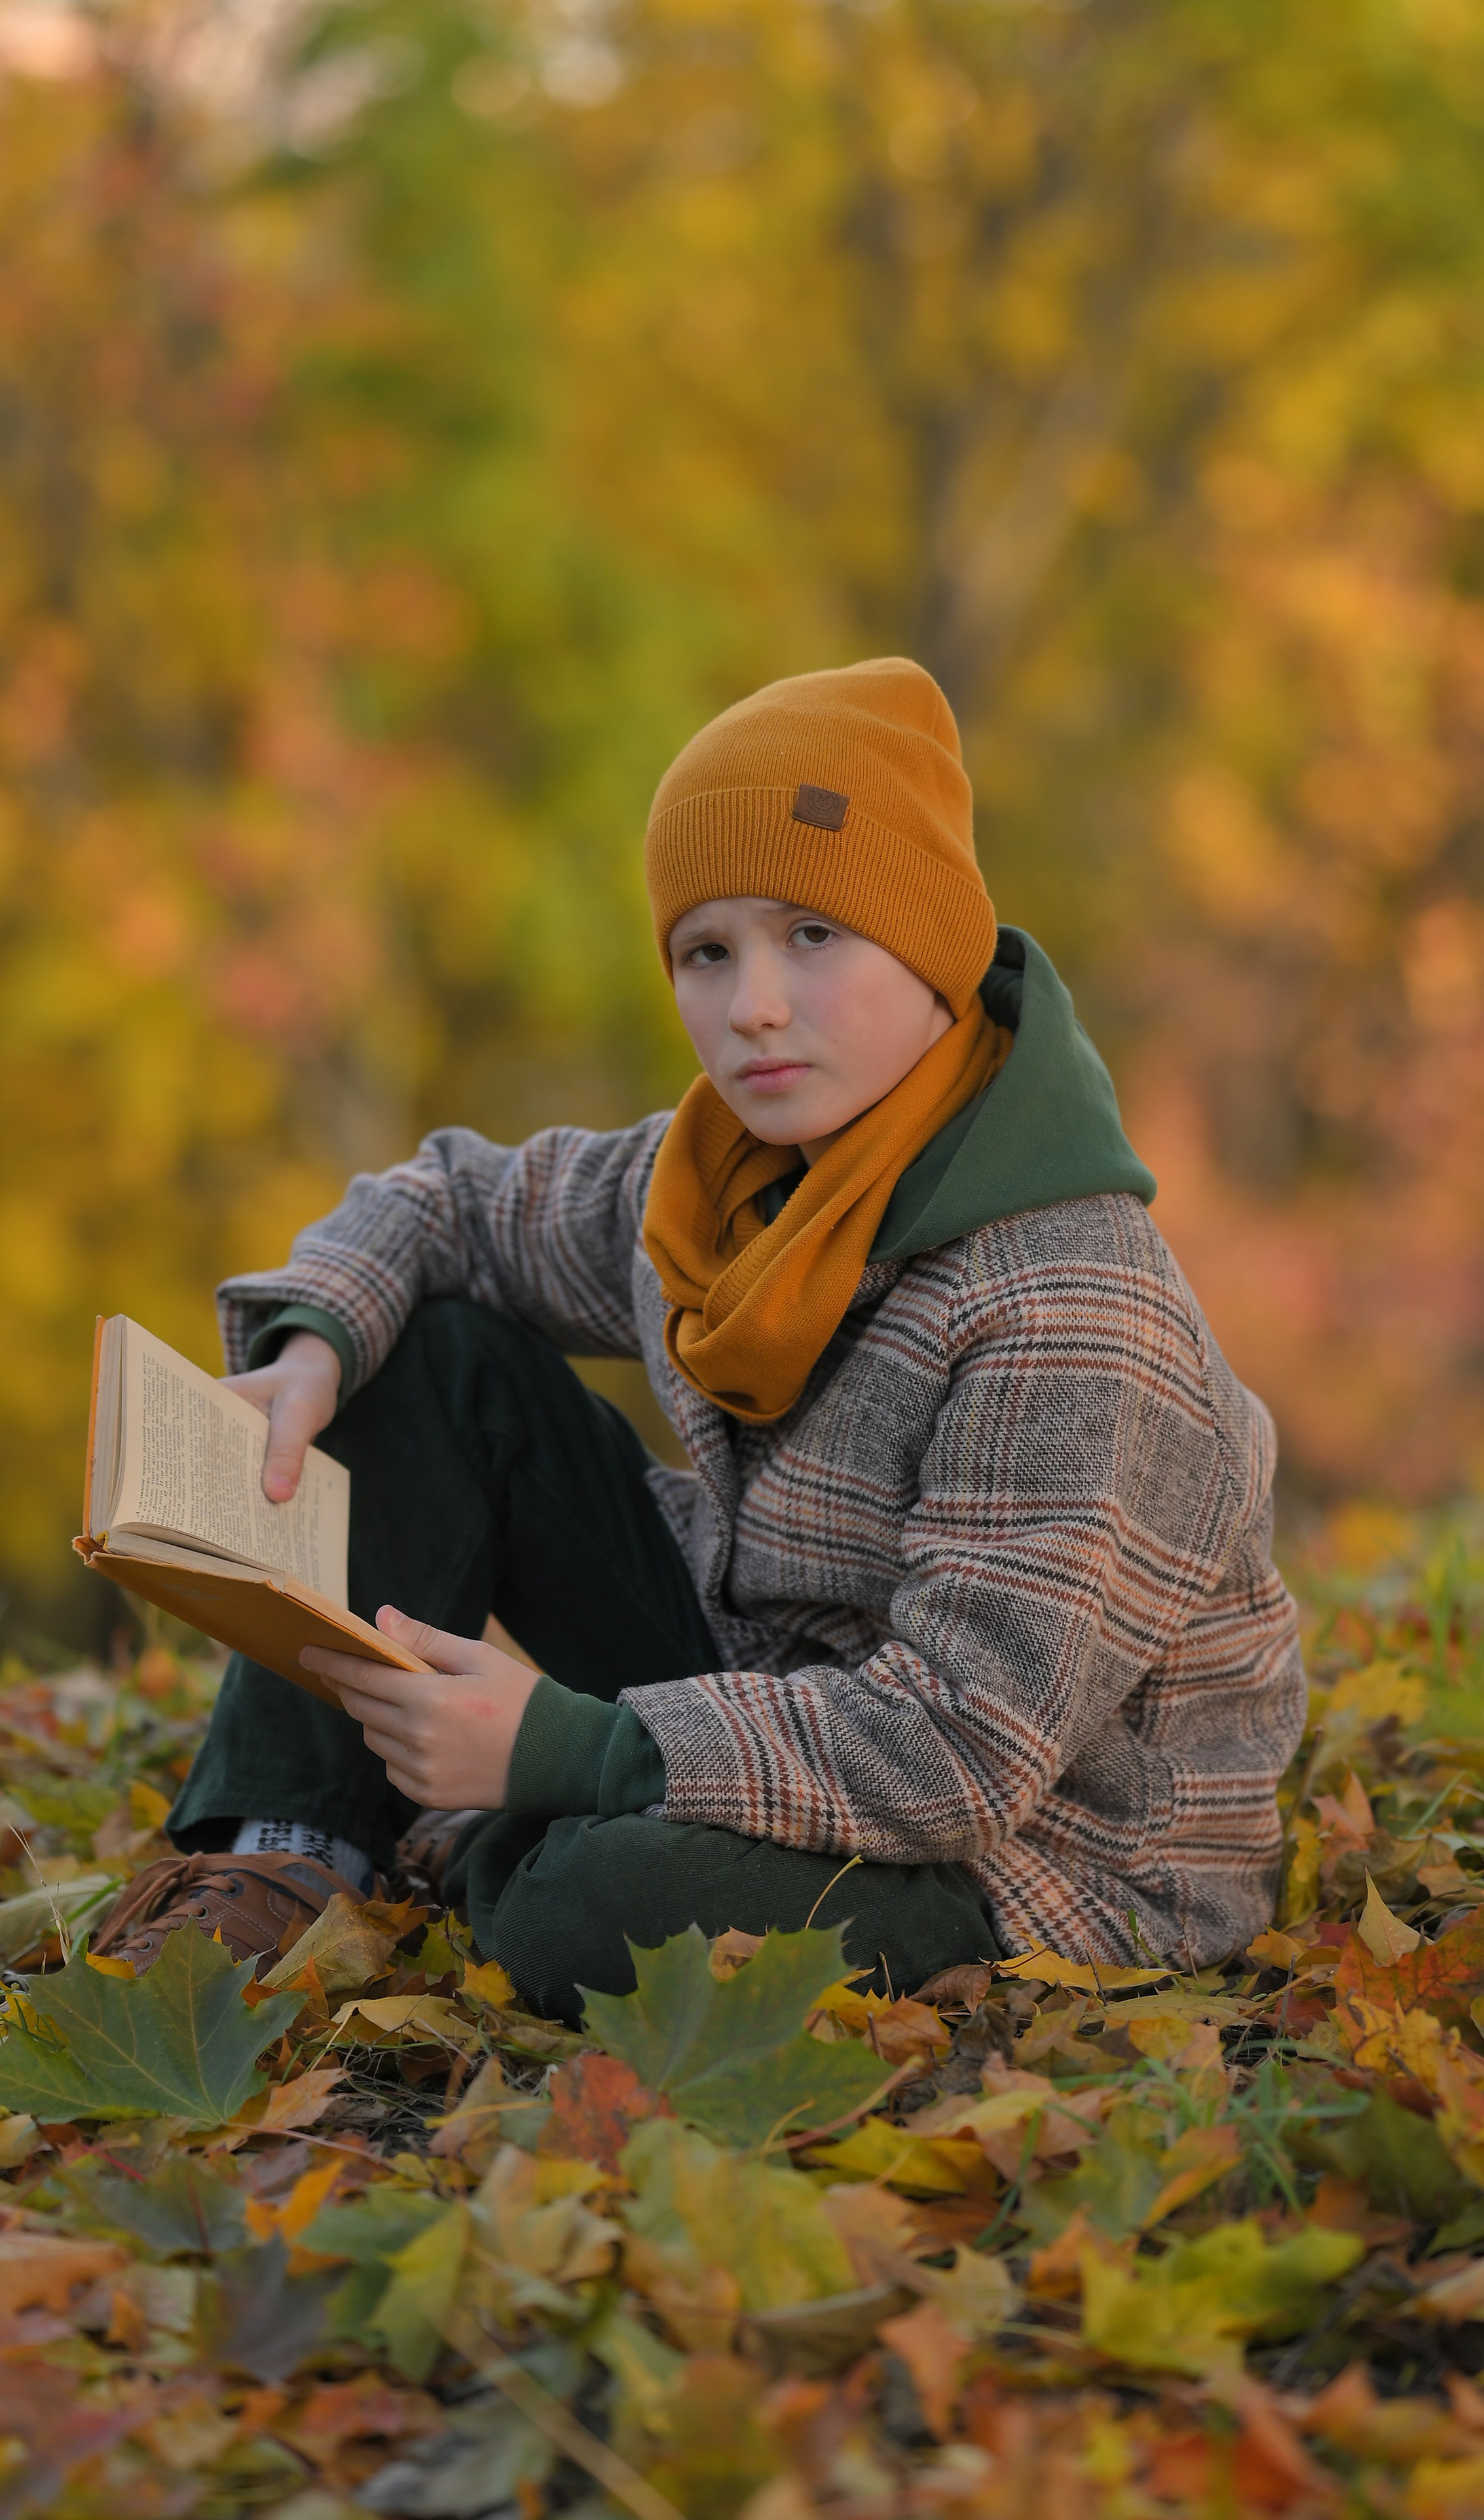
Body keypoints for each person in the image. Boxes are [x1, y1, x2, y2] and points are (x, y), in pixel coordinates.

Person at [93, 658, 1305, 2022]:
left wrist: (571, 1747)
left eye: (813, 935)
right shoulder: (727, 1178)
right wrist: (311, 1345)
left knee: (585, 1911)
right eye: (706, 952)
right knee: (422, 1354)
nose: (754, 1008)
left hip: (1031, 1853)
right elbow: (452, 1203)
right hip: (758, 1679)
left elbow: (963, 1748)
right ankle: (287, 1852)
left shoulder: (1065, 1306)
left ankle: (504, 1840)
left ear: (934, 944)